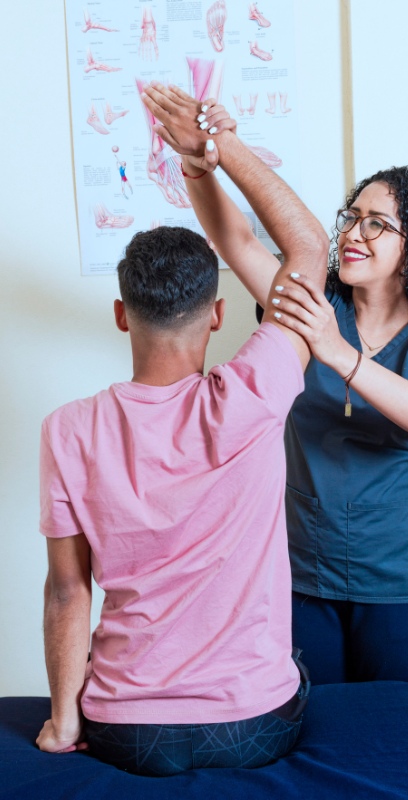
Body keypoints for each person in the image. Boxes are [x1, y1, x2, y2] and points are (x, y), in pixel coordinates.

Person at [142, 84, 408, 684]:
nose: (355, 233)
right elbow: (238, 242)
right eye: (352, 217)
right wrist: (200, 164)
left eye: (378, 224)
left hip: (402, 584)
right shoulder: (314, 302)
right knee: (317, 734)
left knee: (392, 742)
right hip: (301, 574)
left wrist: (338, 353)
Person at [36, 111, 329, 775]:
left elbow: (66, 591)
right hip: (254, 725)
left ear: (121, 315)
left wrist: (61, 722)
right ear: (219, 315)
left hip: (126, 731)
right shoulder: (256, 391)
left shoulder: (68, 428)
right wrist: (216, 150)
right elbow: (309, 249)